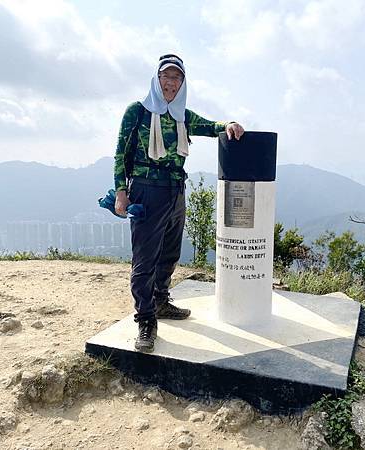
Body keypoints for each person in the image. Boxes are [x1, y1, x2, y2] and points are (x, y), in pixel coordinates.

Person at [114, 54, 244, 352]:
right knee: (145, 260)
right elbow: (120, 152)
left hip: (175, 189)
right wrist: (121, 191)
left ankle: (160, 301)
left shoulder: (182, 115)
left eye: (176, 78)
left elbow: (212, 126)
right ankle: (146, 320)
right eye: (166, 77)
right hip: (147, 189)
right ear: (156, 79)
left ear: (182, 83)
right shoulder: (137, 111)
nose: (170, 83)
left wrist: (230, 124)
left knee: (170, 253)